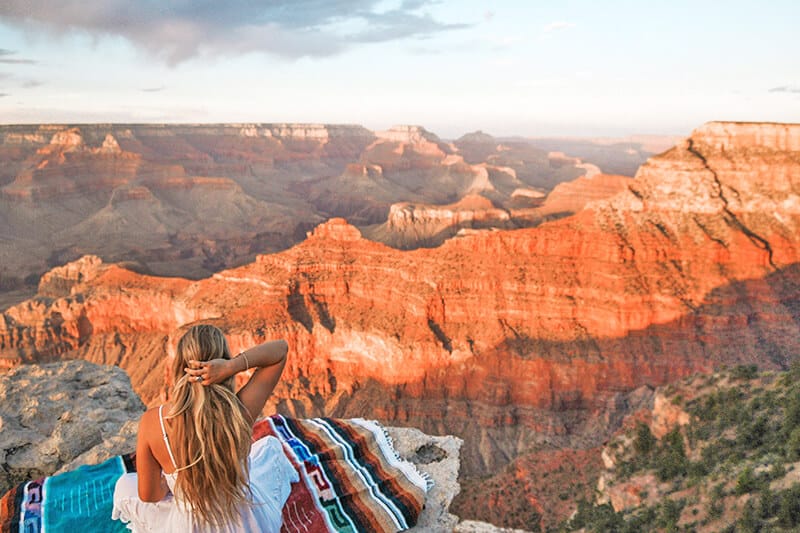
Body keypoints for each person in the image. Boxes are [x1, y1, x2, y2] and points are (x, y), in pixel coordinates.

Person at [112, 324, 299, 532]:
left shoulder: (152, 422)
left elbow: (149, 495)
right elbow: (280, 351)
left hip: (189, 526)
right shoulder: (239, 412)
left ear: (179, 367)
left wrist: (172, 483)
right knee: (269, 448)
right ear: (221, 361)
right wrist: (233, 366)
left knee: (125, 485)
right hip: (246, 523)